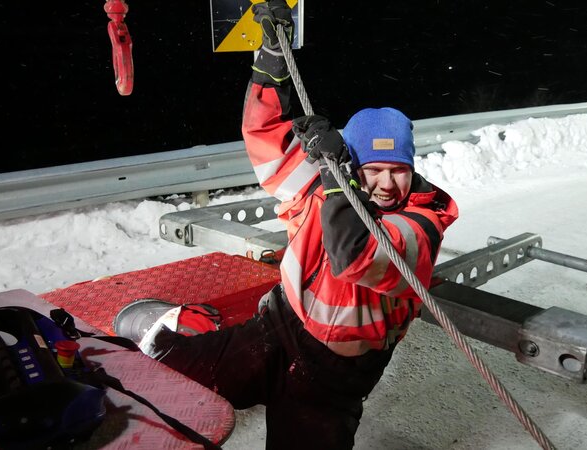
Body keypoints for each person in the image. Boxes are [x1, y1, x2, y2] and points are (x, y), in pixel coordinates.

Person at [113, 1, 459, 448]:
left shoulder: (422, 223)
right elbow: (265, 138)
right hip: (277, 327)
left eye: (399, 170)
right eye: (374, 170)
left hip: (333, 376)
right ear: (356, 166)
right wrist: (271, 63)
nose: (387, 183)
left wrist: (338, 178)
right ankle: (179, 331)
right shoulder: (326, 183)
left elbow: (355, 253)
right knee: (174, 376)